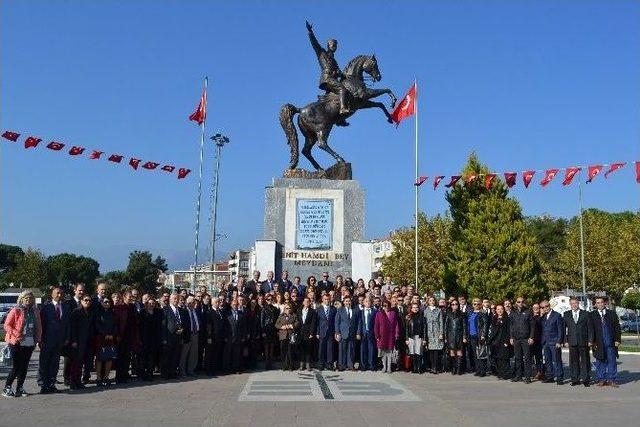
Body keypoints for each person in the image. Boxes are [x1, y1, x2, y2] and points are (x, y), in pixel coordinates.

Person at [2, 290, 41, 398]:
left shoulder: (35, 311)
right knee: (16, 367)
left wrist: (38, 339)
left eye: (30, 298)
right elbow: (7, 325)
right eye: (26, 298)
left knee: (24, 367)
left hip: (29, 342)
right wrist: (16, 334)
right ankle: (7, 388)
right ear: (22, 299)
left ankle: (20, 388)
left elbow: (39, 326)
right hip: (16, 342)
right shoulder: (16, 310)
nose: (29, 300)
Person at [38, 287, 70, 394]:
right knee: (44, 363)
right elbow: (41, 325)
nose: (59, 295)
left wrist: (66, 338)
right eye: (57, 293)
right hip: (47, 340)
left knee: (55, 363)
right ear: (52, 294)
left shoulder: (65, 307)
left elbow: (67, 325)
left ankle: (51, 384)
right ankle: (43, 385)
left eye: (61, 293)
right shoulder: (46, 307)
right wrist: (40, 339)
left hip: (59, 340)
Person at [590, 297, 621, 387]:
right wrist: (592, 341)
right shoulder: (592, 315)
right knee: (600, 361)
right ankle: (601, 379)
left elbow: (617, 328)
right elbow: (590, 329)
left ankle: (612, 380)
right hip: (598, 343)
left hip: (610, 342)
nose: (600, 304)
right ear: (595, 304)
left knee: (612, 361)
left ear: (605, 303)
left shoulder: (612, 314)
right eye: (598, 303)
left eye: (601, 302)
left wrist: (617, 340)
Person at [563, 297, 592, 387]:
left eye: (575, 303)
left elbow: (590, 329)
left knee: (585, 361)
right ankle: (575, 379)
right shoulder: (566, 314)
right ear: (570, 304)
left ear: (578, 303)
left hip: (584, 341)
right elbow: (564, 329)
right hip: (572, 342)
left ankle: (586, 379)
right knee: (573, 362)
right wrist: (565, 341)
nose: (574, 305)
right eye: (572, 304)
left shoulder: (586, 314)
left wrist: (590, 340)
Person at [68, 296, 93, 389]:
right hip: (77, 341)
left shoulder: (89, 312)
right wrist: (73, 340)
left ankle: (78, 381)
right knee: (75, 362)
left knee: (81, 362)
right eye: (85, 300)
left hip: (86, 340)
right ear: (81, 301)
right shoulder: (76, 311)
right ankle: (73, 382)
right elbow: (73, 327)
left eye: (89, 300)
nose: (87, 302)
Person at [63, 283, 85, 386]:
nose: (81, 292)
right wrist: (70, 338)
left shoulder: (85, 302)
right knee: (69, 359)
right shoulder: (68, 303)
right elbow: (67, 321)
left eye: (82, 290)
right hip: (71, 336)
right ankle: (67, 378)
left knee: (79, 359)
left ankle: (77, 379)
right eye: (79, 290)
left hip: (82, 336)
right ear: (74, 290)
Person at [509, 296, 534, 383]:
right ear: (516, 303)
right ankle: (518, 376)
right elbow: (511, 326)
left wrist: (531, 337)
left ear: (524, 302)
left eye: (522, 302)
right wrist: (511, 337)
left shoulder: (528, 311)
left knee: (527, 358)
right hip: (516, 339)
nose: (520, 303)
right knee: (518, 358)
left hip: (525, 339)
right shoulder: (513, 312)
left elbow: (532, 326)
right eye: (519, 302)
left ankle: (528, 377)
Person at [540, 301, 565, 384]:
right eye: (543, 307)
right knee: (547, 360)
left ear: (549, 306)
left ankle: (559, 377)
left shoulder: (557, 315)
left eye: (546, 306)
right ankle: (550, 376)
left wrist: (559, 341)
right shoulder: (543, 317)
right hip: (545, 342)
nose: (545, 308)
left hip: (554, 342)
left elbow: (560, 329)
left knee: (557, 360)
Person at [94, 297, 117, 386]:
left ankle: (106, 377)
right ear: (101, 303)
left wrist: (112, 335)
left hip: (110, 338)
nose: (107, 303)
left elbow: (115, 325)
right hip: (101, 338)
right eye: (105, 302)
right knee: (99, 358)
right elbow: (97, 325)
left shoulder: (113, 313)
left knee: (109, 358)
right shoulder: (98, 313)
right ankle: (99, 378)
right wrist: (104, 334)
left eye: (109, 302)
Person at [161, 294, 185, 379]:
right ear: (170, 299)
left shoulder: (181, 310)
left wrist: (182, 330)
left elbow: (182, 323)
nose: (176, 300)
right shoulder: (166, 309)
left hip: (178, 337)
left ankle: (172, 372)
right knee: (167, 357)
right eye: (174, 298)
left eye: (177, 299)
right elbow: (164, 324)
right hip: (169, 337)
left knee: (175, 356)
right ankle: (165, 374)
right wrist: (164, 338)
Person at [334, 296, 360, 371]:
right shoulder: (340, 310)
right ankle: (342, 365)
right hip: (343, 333)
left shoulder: (355, 310)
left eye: (349, 301)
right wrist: (337, 333)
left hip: (352, 333)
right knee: (342, 350)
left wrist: (358, 333)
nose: (348, 303)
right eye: (346, 301)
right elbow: (337, 322)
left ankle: (350, 365)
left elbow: (358, 322)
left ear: (351, 302)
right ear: (343, 302)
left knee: (351, 350)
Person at [139, 297, 162, 381]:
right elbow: (140, 326)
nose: (151, 305)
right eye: (149, 303)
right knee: (143, 358)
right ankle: (142, 374)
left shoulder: (157, 313)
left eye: (153, 303)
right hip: (144, 338)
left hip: (154, 339)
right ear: (146, 304)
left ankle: (150, 373)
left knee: (152, 357)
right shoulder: (142, 312)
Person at [374, 300, 400, 373]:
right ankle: (384, 366)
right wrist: (377, 335)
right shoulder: (379, 314)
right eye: (384, 305)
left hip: (390, 335)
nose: (386, 307)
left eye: (388, 305)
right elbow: (376, 325)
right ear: (382, 306)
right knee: (383, 352)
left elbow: (396, 324)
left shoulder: (393, 313)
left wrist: (397, 333)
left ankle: (389, 367)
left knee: (389, 352)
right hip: (382, 335)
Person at [445, 300, 468, 375]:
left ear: (458, 305)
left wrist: (464, 336)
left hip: (459, 335)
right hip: (450, 335)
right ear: (451, 305)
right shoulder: (448, 314)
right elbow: (446, 326)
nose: (454, 305)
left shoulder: (462, 314)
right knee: (452, 352)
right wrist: (445, 336)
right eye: (452, 304)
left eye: (456, 304)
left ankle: (459, 369)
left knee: (459, 352)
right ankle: (453, 368)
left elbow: (464, 326)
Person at [224, 300, 247, 374]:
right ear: (231, 305)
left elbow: (244, 326)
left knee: (236, 355)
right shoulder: (227, 314)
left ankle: (236, 369)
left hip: (238, 337)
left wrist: (243, 336)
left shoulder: (241, 314)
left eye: (236, 305)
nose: (235, 306)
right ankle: (227, 369)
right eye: (234, 305)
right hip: (229, 337)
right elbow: (225, 327)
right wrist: (225, 337)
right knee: (228, 354)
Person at [468, 298, 490, 377]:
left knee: (481, 354)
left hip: (479, 336)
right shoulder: (471, 313)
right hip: (471, 336)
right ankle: (478, 370)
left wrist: (483, 335)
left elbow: (485, 325)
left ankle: (483, 371)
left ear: (481, 305)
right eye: (475, 304)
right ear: (472, 305)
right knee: (475, 354)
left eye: (478, 304)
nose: (476, 305)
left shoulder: (483, 313)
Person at [490, 304, 511, 380]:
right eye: (498, 309)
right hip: (495, 341)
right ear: (496, 310)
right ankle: (500, 373)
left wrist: (507, 341)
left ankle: (506, 374)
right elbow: (492, 330)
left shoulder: (507, 319)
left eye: (501, 309)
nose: (500, 310)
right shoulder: (494, 318)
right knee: (497, 358)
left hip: (504, 341)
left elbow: (509, 331)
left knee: (504, 358)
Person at [424, 296, 445, 374]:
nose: (432, 301)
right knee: (430, 351)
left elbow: (441, 322)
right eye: (430, 300)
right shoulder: (425, 311)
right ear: (428, 301)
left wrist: (441, 333)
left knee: (436, 350)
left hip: (436, 332)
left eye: (433, 300)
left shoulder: (438, 310)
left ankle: (435, 367)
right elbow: (424, 323)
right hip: (429, 332)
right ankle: (431, 366)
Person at [205, 297, 226, 375]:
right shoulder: (209, 312)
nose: (218, 303)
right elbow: (208, 326)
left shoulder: (220, 311)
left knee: (217, 353)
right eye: (216, 302)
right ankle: (209, 370)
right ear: (212, 303)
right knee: (210, 354)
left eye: (219, 302)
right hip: (212, 337)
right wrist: (209, 337)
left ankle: (215, 369)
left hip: (219, 337)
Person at [275, 304, 299, 371]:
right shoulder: (281, 316)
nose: (288, 309)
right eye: (286, 308)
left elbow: (297, 323)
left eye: (289, 308)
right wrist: (281, 327)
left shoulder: (293, 315)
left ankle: (291, 366)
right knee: (283, 351)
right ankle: (284, 365)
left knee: (290, 351)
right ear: (284, 309)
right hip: (283, 335)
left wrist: (293, 325)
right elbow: (276, 324)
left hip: (291, 335)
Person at [316, 294, 337, 370]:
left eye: (328, 299)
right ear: (322, 299)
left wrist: (336, 332)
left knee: (330, 348)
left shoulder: (334, 309)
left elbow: (336, 321)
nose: (327, 301)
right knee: (321, 348)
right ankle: (321, 363)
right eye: (325, 299)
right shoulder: (319, 309)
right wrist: (317, 332)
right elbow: (317, 322)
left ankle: (329, 364)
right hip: (322, 331)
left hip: (331, 331)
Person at [180, 296, 199, 376]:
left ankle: (190, 370)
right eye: (189, 302)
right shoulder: (183, 311)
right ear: (187, 302)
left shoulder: (196, 311)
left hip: (195, 334)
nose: (191, 304)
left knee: (193, 354)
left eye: (193, 302)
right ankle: (182, 371)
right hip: (187, 334)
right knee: (184, 354)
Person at [405, 303, 426, 374]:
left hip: (419, 337)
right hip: (411, 337)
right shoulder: (408, 317)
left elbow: (424, 329)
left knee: (419, 352)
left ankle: (419, 368)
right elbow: (407, 329)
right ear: (411, 309)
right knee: (412, 352)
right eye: (413, 307)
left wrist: (424, 339)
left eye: (416, 307)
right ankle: (414, 368)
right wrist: (407, 339)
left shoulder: (422, 317)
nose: (415, 308)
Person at [357, 297, 377, 371]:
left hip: (372, 333)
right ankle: (363, 365)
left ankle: (371, 365)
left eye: (369, 301)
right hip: (363, 333)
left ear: (371, 303)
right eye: (366, 301)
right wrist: (358, 333)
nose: (368, 303)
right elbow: (359, 323)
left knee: (371, 349)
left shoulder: (375, 311)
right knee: (363, 350)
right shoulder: (361, 312)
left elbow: (376, 323)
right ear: (363, 303)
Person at [259, 294, 279, 369]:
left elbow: (277, 320)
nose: (270, 301)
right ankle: (267, 363)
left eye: (271, 299)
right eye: (268, 299)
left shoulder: (275, 309)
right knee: (266, 347)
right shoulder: (264, 309)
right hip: (266, 329)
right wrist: (263, 331)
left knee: (272, 346)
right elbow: (262, 321)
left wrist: (277, 330)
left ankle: (271, 362)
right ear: (266, 300)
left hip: (273, 329)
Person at [298, 297, 317, 370]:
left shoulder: (312, 311)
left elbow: (313, 323)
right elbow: (298, 321)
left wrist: (311, 333)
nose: (306, 303)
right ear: (303, 302)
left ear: (310, 303)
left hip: (308, 332)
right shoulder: (299, 310)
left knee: (308, 349)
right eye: (305, 301)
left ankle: (308, 364)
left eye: (308, 302)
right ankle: (301, 364)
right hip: (300, 332)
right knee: (301, 349)